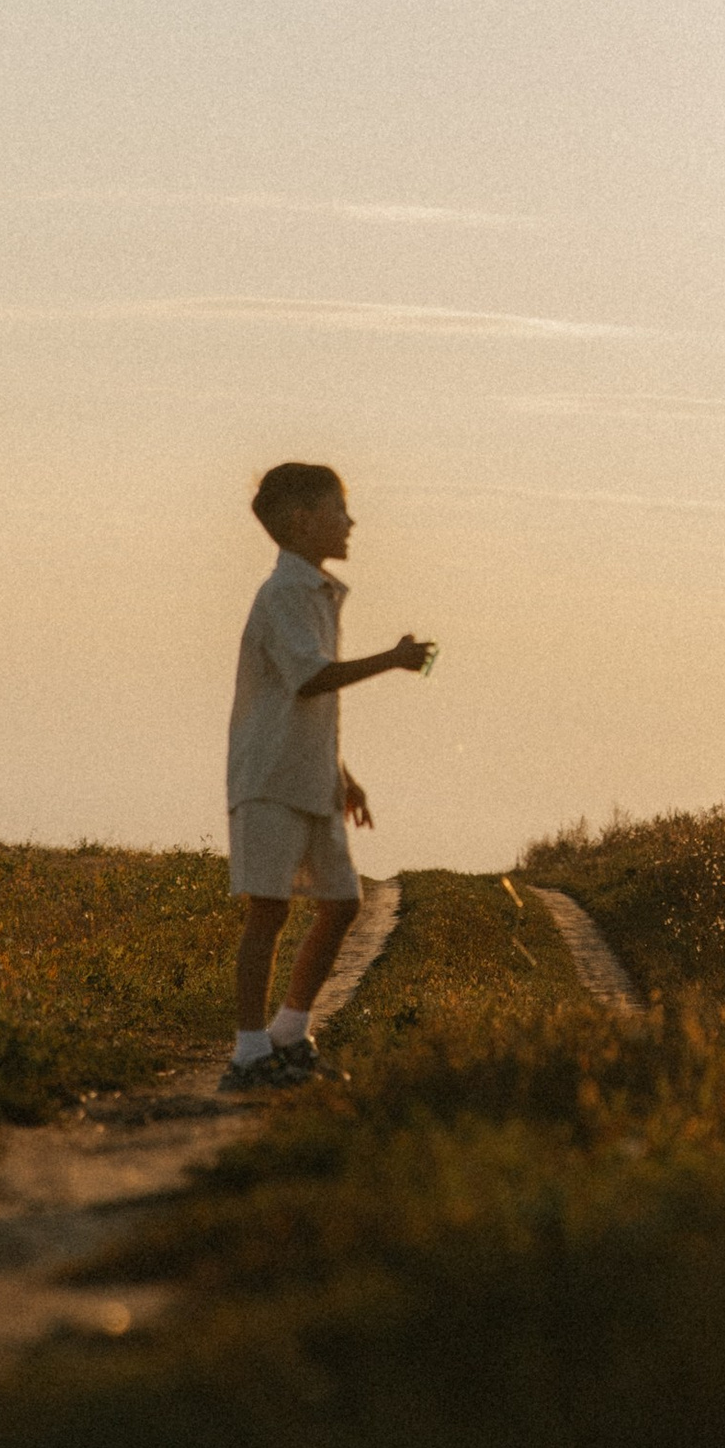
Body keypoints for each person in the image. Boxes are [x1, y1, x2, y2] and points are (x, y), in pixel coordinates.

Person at [223, 460, 434, 1093]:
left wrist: (344, 773)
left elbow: (306, 696)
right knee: (268, 912)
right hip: (268, 778)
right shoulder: (283, 593)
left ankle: (289, 1034)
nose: (351, 522)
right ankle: (248, 1052)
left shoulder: (312, 592)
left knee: (343, 903)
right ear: (302, 520)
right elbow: (310, 677)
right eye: (340, 509)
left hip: (309, 778)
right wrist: (393, 660)